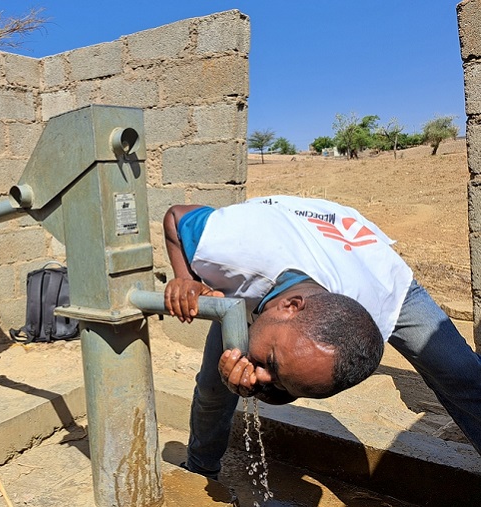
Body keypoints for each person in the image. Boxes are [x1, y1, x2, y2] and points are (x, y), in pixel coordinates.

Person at [163, 195, 481, 479]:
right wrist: (186, 279)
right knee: (213, 388)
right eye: (271, 362)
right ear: (289, 306)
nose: (260, 375)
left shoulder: (375, 305)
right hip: (288, 237)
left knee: (463, 376)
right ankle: (201, 469)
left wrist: (265, 389)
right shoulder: (228, 247)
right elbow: (175, 217)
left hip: (373, 267)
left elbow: (294, 381)